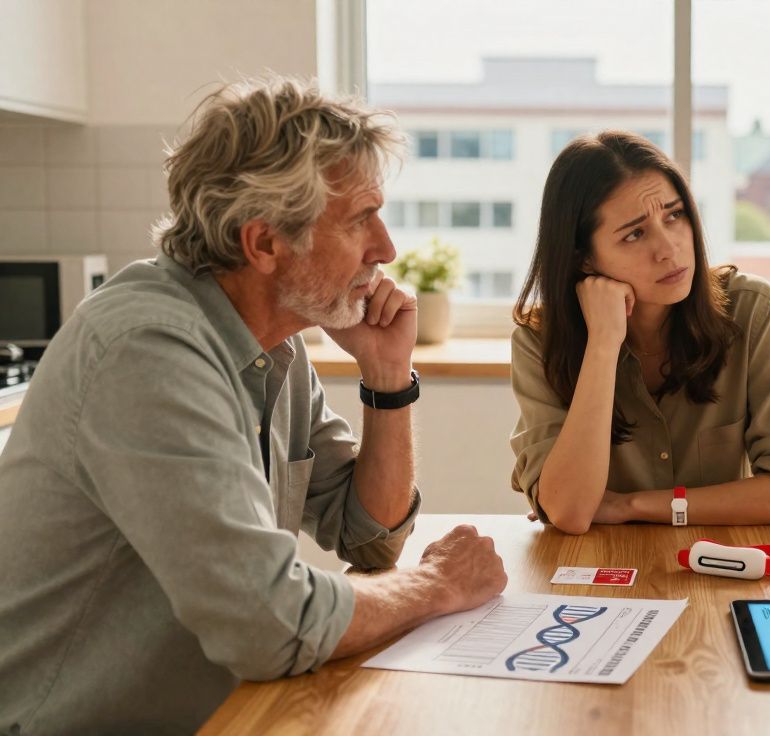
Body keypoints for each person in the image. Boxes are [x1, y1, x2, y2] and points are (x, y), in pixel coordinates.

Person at [0, 78, 507, 734]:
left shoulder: (274, 345)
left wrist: (387, 376)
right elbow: (271, 623)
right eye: (359, 220)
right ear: (265, 244)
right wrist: (437, 585)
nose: (386, 249)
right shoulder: (148, 352)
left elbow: (369, 538)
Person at [509, 131, 770, 535]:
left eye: (674, 215)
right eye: (634, 234)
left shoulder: (752, 311)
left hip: (719, 570)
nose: (669, 248)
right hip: (598, 574)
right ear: (585, 257)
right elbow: (571, 512)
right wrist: (603, 345)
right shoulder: (540, 340)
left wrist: (632, 505)